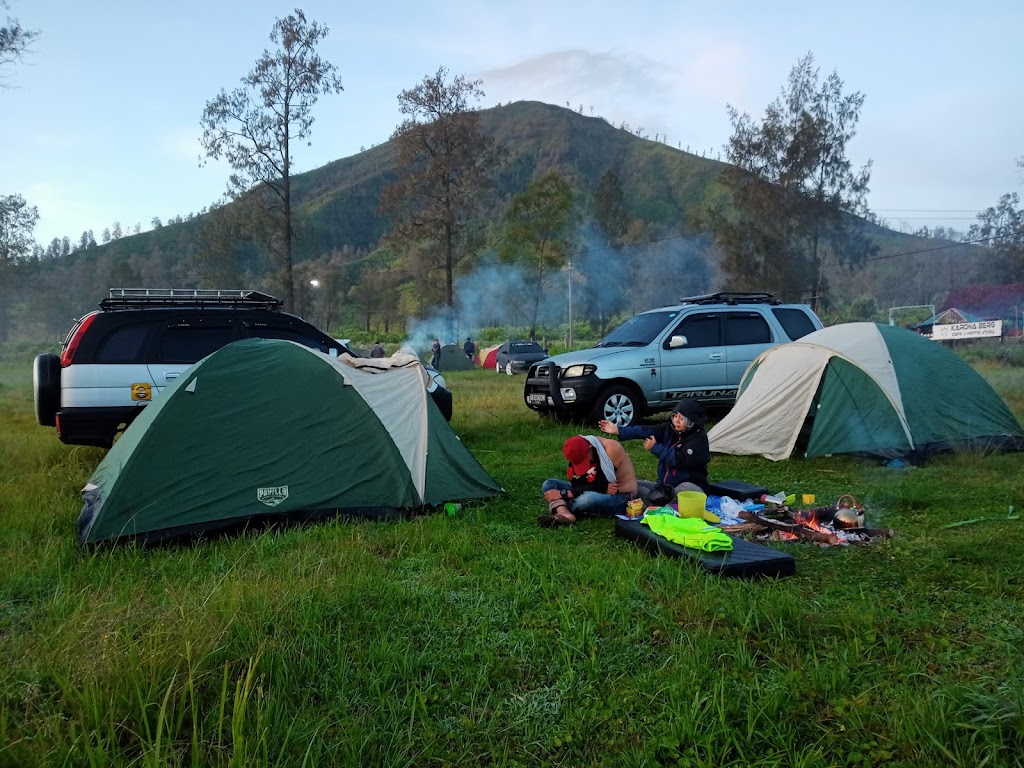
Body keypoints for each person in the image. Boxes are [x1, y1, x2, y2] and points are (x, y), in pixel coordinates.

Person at [599, 400, 711, 503]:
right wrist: (619, 430)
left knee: (684, 489)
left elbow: (680, 460)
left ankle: (657, 501)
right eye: (675, 416)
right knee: (633, 484)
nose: (676, 420)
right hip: (664, 487)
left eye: (681, 418)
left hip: (690, 487)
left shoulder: (699, 440)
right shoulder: (670, 429)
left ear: (691, 421)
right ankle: (657, 500)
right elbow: (646, 430)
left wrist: (655, 448)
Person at [538, 435, 639, 528]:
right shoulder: (576, 449)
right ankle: (564, 513)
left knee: (586, 500)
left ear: (590, 448)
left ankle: (560, 505)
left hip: (622, 495)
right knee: (549, 484)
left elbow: (601, 485)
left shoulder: (611, 449)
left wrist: (564, 494)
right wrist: (569, 493)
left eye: (583, 461)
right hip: (593, 488)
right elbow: (577, 483)